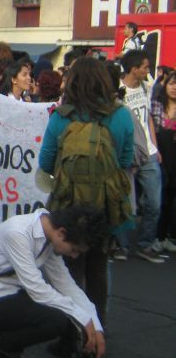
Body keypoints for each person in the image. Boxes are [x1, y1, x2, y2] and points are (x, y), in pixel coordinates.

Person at [38, 57, 134, 326]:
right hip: (105, 204)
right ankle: (97, 328)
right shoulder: (121, 115)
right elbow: (126, 160)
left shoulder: (61, 117)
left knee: (70, 271)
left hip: (68, 204)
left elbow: (46, 162)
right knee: (98, 268)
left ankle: (71, 332)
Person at [0, 206, 108, 358]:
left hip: (10, 292)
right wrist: (83, 317)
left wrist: (95, 323)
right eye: (74, 250)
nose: (74, 256)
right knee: (55, 319)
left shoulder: (49, 234)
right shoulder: (17, 232)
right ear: (61, 233)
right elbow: (37, 289)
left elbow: (66, 284)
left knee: (64, 310)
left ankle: (11, 350)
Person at [113, 50, 163, 263]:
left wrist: (155, 146)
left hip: (148, 152)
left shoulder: (146, 87)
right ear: (133, 69)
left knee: (154, 202)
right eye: (145, 67)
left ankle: (145, 243)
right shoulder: (117, 89)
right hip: (126, 151)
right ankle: (121, 245)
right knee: (124, 202)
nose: (147, 71)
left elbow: (148, 117)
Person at [150, 70, 176, 253]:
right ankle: (155, 237)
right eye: (172, 84)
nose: (174, 88)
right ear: (165, 86)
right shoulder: (156, 105)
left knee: (172, 198)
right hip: (160, 155)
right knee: (159, 199)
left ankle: (166, 236)